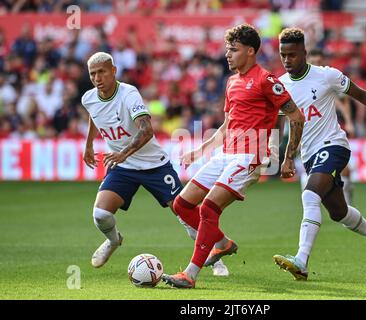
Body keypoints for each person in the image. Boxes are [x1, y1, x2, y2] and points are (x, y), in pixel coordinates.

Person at [162, 24, 304, 288]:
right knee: (181, 205)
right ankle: (222, 243)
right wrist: (200, 150)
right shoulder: (232, 82)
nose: (228, 54)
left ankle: (190, 274)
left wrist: (288, 157)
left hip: (251, 156)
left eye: (234, 49)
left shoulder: (266, 80)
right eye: (227, 49)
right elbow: (228, 125)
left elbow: (296, 116)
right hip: (226, 153)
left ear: (250, 51)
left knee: (208, 208)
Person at [273, 28, 366, 280]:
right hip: (309, 156)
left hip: (333, 145)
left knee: (309, 195)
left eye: (293, 55)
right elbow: (279, 123)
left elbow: (362, 95)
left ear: (304, 53)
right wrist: (279, 152)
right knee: (339, 213)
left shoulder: (326, 76)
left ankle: (301, 261)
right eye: (283, 55)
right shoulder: (280, 86)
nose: (287, 60)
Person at [81, 52, 229, 276]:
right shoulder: (88, 98)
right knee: (100, 215)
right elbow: (95, 114)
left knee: (185, 216)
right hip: (124, 168)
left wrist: (122, 153)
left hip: (155, 166)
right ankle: (113, 241)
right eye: (92, 74)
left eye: (101, 71)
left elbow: (146, 130)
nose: (97, 77)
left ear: (113, 71)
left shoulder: (129, 94)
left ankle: (216, 254)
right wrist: (89, 144)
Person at [307, 48, 355, 204]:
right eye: (313, 62)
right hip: (310, 131)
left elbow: (342, 101)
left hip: (333, 127)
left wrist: (349, 122)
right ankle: (314, 203)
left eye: (319, 62)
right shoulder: (300, 81)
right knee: (311, 170)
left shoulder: (328, 77)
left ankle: (346, 203)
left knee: (345, 169)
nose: (316, 65)